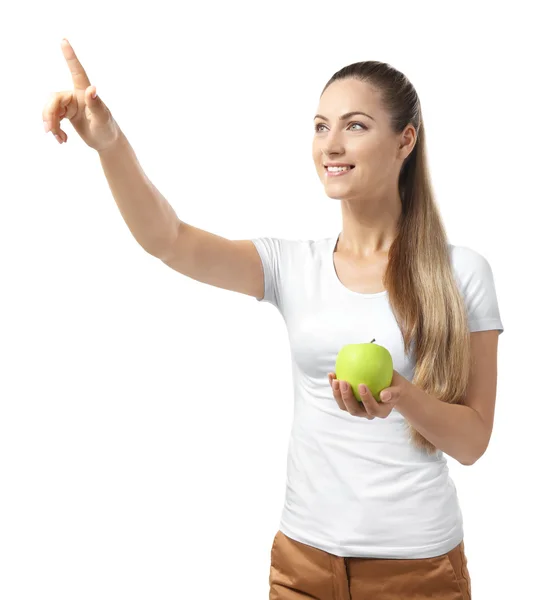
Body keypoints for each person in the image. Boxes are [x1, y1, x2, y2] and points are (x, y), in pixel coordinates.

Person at [42, 40, 504, 599]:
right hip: (302, 563)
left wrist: (403, 397)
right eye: (319, 126)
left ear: (405, 140)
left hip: (416, 570)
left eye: (355, 126)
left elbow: (474, 442)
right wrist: (109, 144)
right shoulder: (293, 266)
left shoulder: (462, 273)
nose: (330, 144)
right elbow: (168, 240)